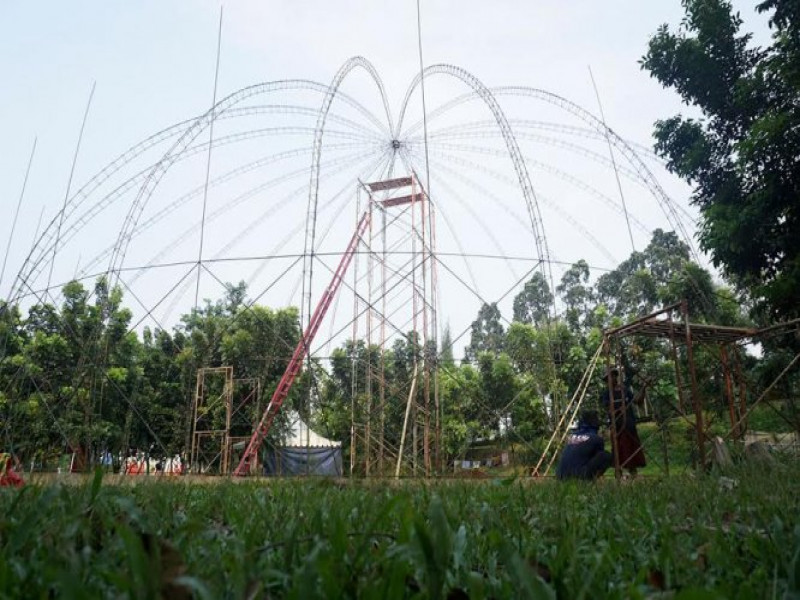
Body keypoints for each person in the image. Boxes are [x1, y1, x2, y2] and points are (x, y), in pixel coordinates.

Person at [601, 367, 646, 477]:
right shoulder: (606, 394)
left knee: (631, 448)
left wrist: (644, 388)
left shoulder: (625, 390)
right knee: (618, 450)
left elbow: (637, 401)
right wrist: (618, 410)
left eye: (610, 377)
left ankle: (633, 473)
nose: (609, 381)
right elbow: (608, 409)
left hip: (629, 425)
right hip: (616, 426)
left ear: (615, 377)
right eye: (606, 379)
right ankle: (619, 474)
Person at [556, 410, 612, 481]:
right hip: (578, 476)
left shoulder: (572, 436)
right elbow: (598, 457)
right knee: (605, 456)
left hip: (560, 476)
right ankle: (589, 481)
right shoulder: (596, 438)